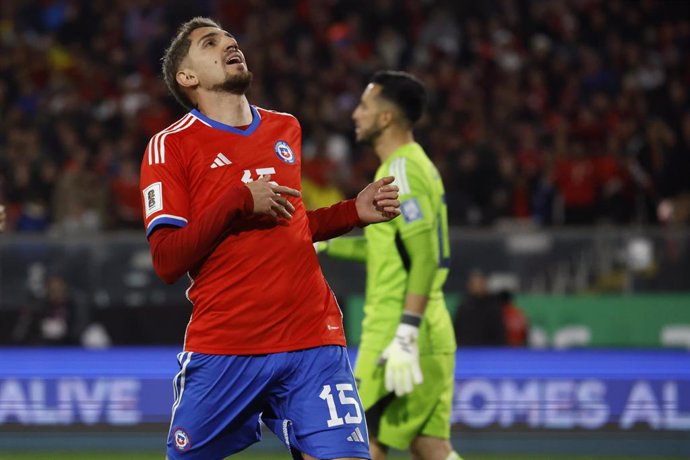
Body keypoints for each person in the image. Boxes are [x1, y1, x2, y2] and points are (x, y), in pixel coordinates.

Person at [140, 18, 401, 460]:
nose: (229, 45)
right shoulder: (171, 147)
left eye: (230, 39)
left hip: (313, 340)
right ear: (187, 77)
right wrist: (238, 200)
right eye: (210, 44)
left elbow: (289, 224)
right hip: (228, 347)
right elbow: (167, 260)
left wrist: (349, 212)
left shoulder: (285, 129)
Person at [317, 71, 461, 460]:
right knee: (431, 447)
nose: (355, 115)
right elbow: (390, 250)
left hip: (398, 331)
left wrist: (406, 335)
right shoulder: (417, 164)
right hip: (430, 329)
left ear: (385, 119)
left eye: (364, 106)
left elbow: (426, 256)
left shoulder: (400, 172)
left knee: (350, 442)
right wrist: (328, 244)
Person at [454, 270, 506, 346]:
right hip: (466, 351)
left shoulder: (493, 306)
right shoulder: (464, 306)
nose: (477, 286)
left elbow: (499, 332)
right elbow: (457, 330)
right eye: (474, 283)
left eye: (480, 283)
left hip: (489, 351)